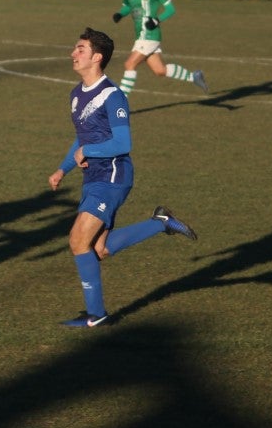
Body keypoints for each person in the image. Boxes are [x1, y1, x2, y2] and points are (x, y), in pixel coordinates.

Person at [47, 26, 198, 328]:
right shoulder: (76, 95)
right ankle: (160, 222)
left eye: (80, 49)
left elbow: (122, 144)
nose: (73, 54)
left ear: (97, 57)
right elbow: (81, 139)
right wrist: (63, 168)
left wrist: (87, 151)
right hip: (94, 178)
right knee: (97, 249)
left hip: (114, 175)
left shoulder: (112, 96)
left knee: (78, 240)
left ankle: (96, 315)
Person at [111, 0, 207, 95]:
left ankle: (119, 105)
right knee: (160, 70)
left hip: (150, 34)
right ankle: (194, 77)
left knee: (129, 64)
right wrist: (120, 14)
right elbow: (127, 6)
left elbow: (170, 9)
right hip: (140, 35)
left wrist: (157, 20)